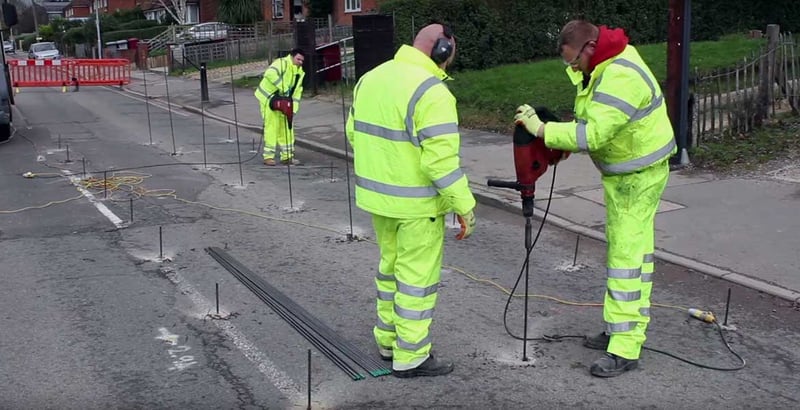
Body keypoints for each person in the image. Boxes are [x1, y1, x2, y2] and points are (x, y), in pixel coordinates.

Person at [513, 20, 676, 377]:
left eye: (574, 63)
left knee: (626, 259)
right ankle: (619, 329)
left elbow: (595, 133)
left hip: (638, 177)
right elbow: (593, 120)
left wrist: (542, 130)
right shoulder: (604, 64)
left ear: (589, 47)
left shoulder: (620, 75)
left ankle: (625, 347)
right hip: (626, 175)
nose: (573, 69)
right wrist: (566, 139)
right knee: (632, 256)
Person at [345, 23, 477, 378]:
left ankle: (388, 341)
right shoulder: (432, 92)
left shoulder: (370, 79)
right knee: (416, 280)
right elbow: (440, 163)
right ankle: (412, 355)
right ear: (442, 51)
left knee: (390, 272)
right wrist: (464, 205)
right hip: (418, 208)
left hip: (379, 201)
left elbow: (353, 135)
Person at [255, 48, 306, 166]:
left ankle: (287, 157)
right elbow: (269, 73)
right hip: (268, 98)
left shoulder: (300, 72)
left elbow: (297, 92)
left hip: (283, 101)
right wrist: (282, 86)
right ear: (292, 57)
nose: (300, 62)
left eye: (302, 61)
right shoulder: (282, 63)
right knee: (272, 126)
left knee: (287, 128)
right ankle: (268, 157)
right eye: (298, 59)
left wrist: (293, 109)